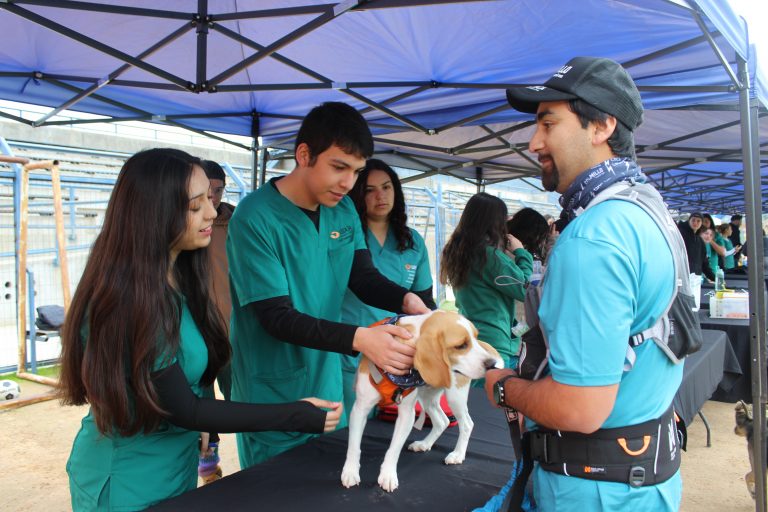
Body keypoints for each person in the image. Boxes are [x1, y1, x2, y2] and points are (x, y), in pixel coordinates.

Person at [58, 148, 341, 511]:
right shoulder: (129, 300)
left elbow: (186, 378)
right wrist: (294, 413)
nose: (211, 212)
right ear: (153, 214)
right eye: (195, 206)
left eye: (210, 198)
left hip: (173, 465)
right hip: (128, 481)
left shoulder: (175, 279)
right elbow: (182, 407)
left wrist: (202, 426)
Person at [491, 56, 685, 510]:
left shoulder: (593, 238)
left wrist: (503, 387)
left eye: (548, 123)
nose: (534, 141)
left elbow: (580, 408)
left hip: (593, 491)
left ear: (601, 127)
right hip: (643, 481)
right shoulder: (646, 211)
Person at [226, 102, 429, 468]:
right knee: (275, 492)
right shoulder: (255, 218)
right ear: (304, 155)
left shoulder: (343, 211)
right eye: (339, 167)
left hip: (327, 381)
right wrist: (361, 338)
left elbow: (363, 278)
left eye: (356, 171)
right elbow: (276, 317)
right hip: (274, 391)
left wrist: (406, 298)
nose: (348, 183)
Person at [340, 158, 437, 417]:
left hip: (396, 359)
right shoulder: (346, 237)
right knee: (350, 431)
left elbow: (425, 302)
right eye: (369, 190)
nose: (380, 196)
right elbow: (364, 282)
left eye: (386, 187)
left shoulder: (413, 242)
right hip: (349, 356)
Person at [440, 192, 533, 370]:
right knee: (493, 396)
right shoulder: (489, 256)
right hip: (493, 342)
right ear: (494, 222)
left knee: (474, 396)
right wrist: (521, 253)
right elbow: (525, 288)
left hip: (469, 336)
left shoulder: (455, 251)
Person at [196, 160, 235, 483]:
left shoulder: (238, 223)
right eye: (204, 194)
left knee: (242, 397)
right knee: (200, 401)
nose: (212, 201)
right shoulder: (182, 224)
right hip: (197, 333)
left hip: (235, 331)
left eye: (218, 192)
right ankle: (208, 462)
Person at [677, 212, 716, 282]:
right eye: (693, 220)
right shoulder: (681, 235)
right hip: (682, 277)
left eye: (698, 221)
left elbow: (704, 263)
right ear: (689, 221)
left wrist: (715, 278)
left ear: (701, 223)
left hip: (696, 279)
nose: (695, 223)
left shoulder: (700, 241)